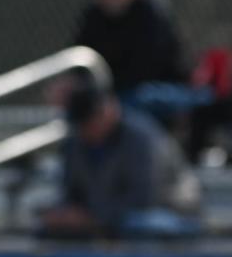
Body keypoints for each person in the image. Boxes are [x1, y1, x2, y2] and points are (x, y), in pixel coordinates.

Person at [36, 84, 200, 239]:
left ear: (107, 111)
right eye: (82, 125)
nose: (87, 130)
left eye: (90, 121)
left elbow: (144, 199)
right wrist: (63, 215)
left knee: (140, 225)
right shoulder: (75, 143)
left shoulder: (142, 138)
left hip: (170, 214)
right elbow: (71, 193)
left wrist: (91, 218)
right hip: (106, 219)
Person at [70, 0, 190, 108]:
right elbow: (79, 56)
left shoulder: (149, 13)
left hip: (157, 89)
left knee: (134, 99)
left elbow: (148, 67)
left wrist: (107, 90)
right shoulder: (93, 17)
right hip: (114, 92)